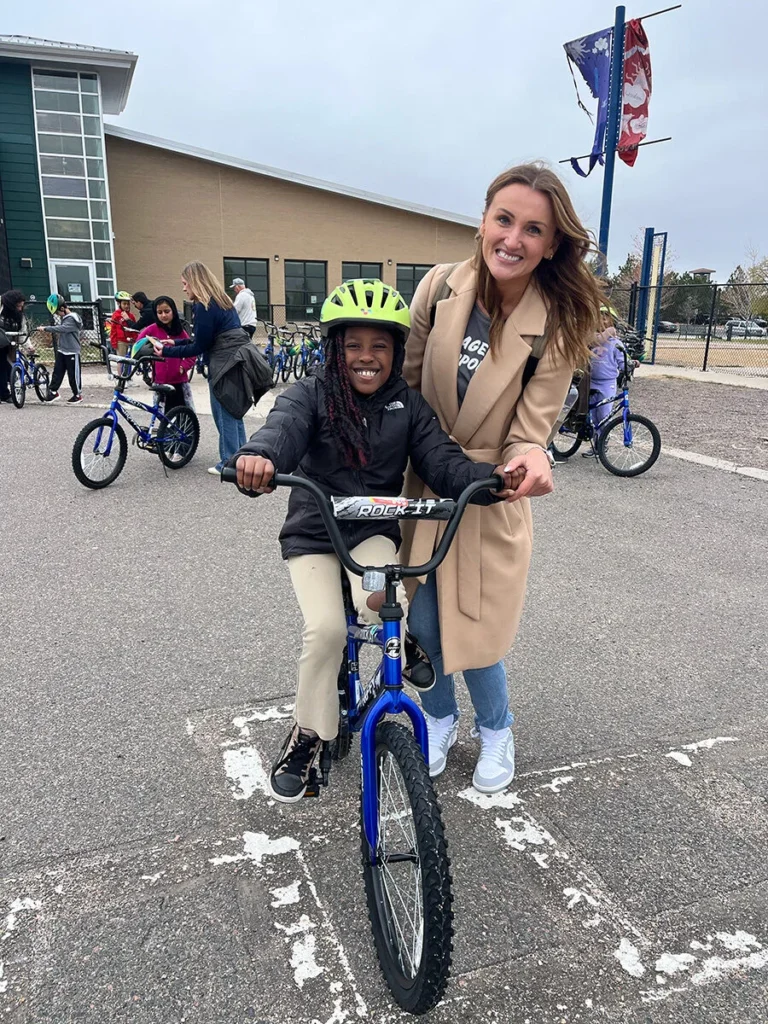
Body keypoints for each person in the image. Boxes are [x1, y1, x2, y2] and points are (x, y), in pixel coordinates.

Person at [229, 279, 520, 803]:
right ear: (333, 348)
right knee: (325, 631)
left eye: (380, 346)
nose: (367, 357)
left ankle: (402, 635)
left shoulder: (408, 407)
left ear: (396, 352)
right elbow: (283, 430)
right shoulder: (309, 394)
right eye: (353, 345)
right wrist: (261, 457)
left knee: (384, 601)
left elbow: (441, 459)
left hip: (371, 531)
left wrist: (488, 480)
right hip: (315, 535)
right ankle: (308, 735)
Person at [401, 162, 603, 793]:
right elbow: (403, 391)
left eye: (533, 229)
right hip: (424, 487)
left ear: (551, 244)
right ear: (484, 220)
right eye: (504, 219)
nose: (513, 239)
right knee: (424, 623)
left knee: (480, 632)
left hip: (488, 491)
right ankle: (440, 718)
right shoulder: (439, 288)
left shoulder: (557, 323)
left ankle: (497, 729)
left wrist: (531, 457)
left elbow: (530, 428)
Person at [150, 262, 249, 474]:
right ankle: (241, 457)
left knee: (223, 414)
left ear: (195, 282)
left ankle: (229, 464)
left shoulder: (204, 305)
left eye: (186, 283)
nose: (184, 288)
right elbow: (205, 339)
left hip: (222, 365)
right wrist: (175, 343)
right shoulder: (222, 302)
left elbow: (200, 346)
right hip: (234, 361)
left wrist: (166, 352)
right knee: (234, 413)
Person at [133, 296, 195, 413]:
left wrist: (183, 366)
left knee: (183, 416)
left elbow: (191, 351)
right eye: (159, 312)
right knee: (163, 417)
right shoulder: (151, 330)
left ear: (173, 311)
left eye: (167, 311)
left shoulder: (180, 332)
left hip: (179, 382)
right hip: (160, 382)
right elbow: (138, 345)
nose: (163, 315)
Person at [42, 294, 84, 403]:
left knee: (73, 375)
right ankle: (53, 392)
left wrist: (46, 328)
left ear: (62, 308)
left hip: (72, 351)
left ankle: (77, 394)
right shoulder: (65, 318)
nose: (57, 314)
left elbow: (63, 329)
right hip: (62, 350)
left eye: (57, 312)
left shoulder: (73, 318)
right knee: (57, 372)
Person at [0, 289, 26, 403]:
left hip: (7, 344)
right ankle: (4, 394)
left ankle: (5, 394)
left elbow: (22, 331)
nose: (20, 309)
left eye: (21, 306)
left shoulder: (18, 317)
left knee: (6, 368)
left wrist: (27, 345)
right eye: (18, 306)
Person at [109, 291, 136, 363]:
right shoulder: (116, 315)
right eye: (124, 304)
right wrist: (114, 342)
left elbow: (134, 328)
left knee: (130, 360)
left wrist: (135, 339)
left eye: (128, 304)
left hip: (131, 341)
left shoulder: (131, 316)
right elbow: (113, 329)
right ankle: (120, 374)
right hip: (121, 341)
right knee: (121, 360)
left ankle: (128, 373)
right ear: (119, 304)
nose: (126, 306)